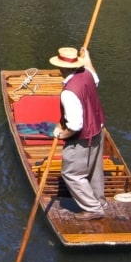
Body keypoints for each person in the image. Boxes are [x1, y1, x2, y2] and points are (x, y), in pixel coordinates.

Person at [46, 46, 107, 220]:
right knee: (94, 170)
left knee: (71, 174)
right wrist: (87, 58)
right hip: (98, 131)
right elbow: (95, 78)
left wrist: (60, 134)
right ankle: (100, 202)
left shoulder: (69, 93)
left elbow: (75, 125)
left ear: (62, 68)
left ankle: (93, 208)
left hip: (82, 139)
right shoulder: (86, 74)